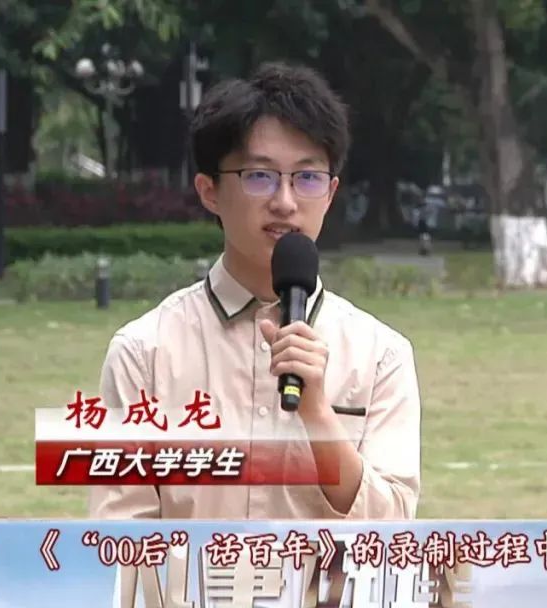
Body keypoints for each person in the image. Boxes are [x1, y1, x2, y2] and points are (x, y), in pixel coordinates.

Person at [88, 62, 421, 520]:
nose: (285, 202)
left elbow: (394, 529)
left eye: (307, 178)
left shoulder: (381, 355)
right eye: (260, 176)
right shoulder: (144, 353)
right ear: (209, 191)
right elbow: (119, 538)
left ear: (330, 193)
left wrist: (319, 414)